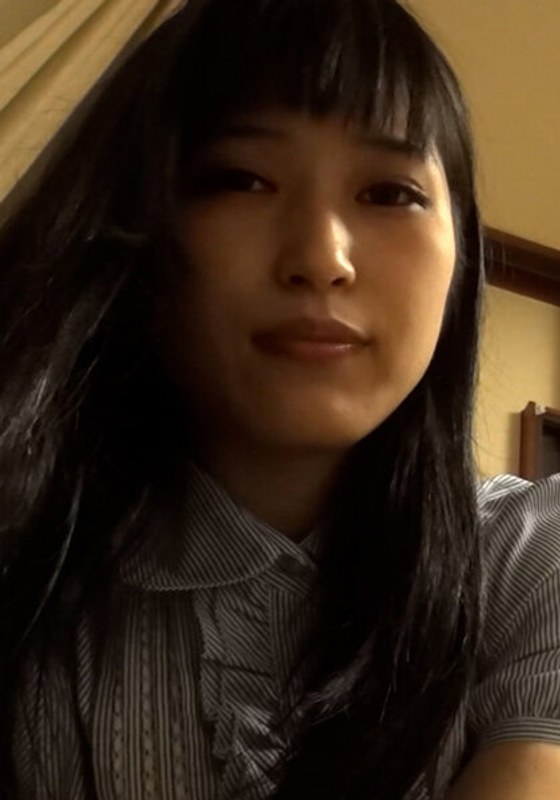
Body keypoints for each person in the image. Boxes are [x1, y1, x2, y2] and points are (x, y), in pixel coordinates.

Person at [1, 0, 559, 798]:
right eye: (241, 179)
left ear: (460, 258)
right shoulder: (31, 577)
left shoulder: (530, 556)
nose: (322, 257)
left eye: (390, 192)